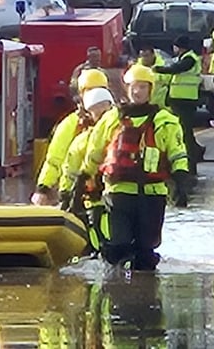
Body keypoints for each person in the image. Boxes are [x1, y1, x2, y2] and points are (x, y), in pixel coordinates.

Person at [80, 64, 191, 271]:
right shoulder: (112, 119)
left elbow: (177, 152)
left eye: (142, 87)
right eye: (133, 87)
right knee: (117, 247)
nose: (137, 91)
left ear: (151, 90)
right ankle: (118, 292)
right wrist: (84, 178)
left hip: (152, 195)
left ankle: (143, 294)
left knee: (145, 253)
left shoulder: (165, 121)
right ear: (126, 88)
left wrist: (181, 181)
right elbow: (95, 152)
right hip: (118, 193)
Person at [32, 69, 110, 205]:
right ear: (81, 95)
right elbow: (55, 158)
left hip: (106, 190)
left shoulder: (115, 120)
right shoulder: (70, 124)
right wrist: (43, 188)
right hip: (73, 191)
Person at [60, 86, 116, 255]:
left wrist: (66, 192)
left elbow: (70, 169)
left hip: (107, 197)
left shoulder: (84, 139)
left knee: (102, 241)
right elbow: (71, 168)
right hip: (101, 198)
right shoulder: (122, 128)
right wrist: (66, 193)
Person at [153, 35, 204, 174]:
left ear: (180, 47)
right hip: (180, 100)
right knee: (184, 131)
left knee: (185, 132)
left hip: (185, 101)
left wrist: (157, 69)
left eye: (175, 46)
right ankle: (195, 154)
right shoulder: (185, 58)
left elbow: (176, 69)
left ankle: (191, 162)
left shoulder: (189, 59)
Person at [137, 44, 170, 109]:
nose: (144, 58)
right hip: (142, 105)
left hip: (161, 105)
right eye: (142, 56)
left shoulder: (163, 67)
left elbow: (168, 82)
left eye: (146, 56)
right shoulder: (136, 69)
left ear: (153, 55)